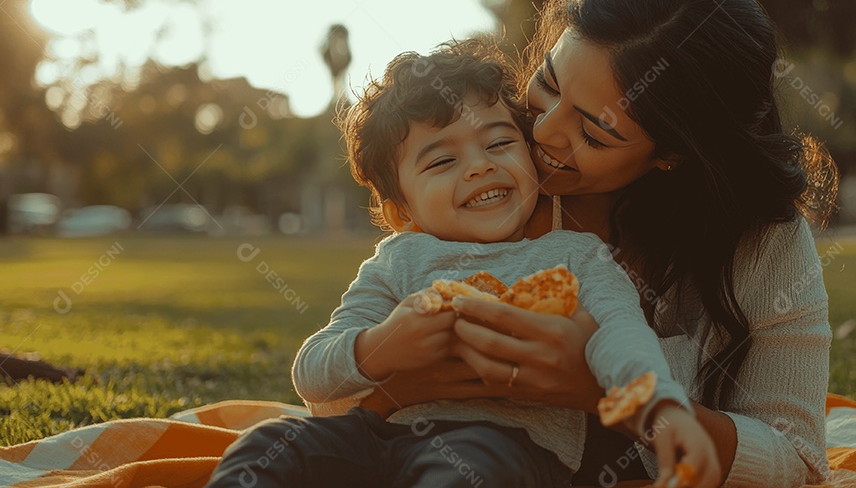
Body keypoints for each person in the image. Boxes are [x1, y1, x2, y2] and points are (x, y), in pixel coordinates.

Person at [358, 0, 839, 488]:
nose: (542, 134)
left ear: (673, 154)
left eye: (594, 133)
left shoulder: (764, 243)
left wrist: (595, 389)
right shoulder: (492, 193)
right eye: (549, 83)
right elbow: (340, 402)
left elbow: (798, 460)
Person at [207, 41, 721, 488]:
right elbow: (313, 371)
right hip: (380, 435)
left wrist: (660, 408)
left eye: (499, 142)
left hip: (507, 446)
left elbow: (622, 335)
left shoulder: (575, 255)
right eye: (442, 160)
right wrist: (382, 345)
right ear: (400, 211)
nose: (480, 165)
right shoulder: (399, 259)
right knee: (271, 443)